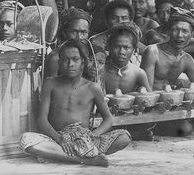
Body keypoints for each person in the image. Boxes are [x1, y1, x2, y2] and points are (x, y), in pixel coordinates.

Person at [20, 39, 131, 167]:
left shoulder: (93, 88)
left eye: (75, 59)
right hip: (58, 138)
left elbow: (109, 119)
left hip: (86, 139)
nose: (70, 64)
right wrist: (60, 139)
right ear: (60, 63)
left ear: (83, 62)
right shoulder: (50, 83)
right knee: (26, 140)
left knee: (124, 137)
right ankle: (88, 160)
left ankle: (59, 156)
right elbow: (42, 120)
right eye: (65, 60)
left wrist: (93, 135)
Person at [140, 8, 194, 91]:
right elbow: (147, 91)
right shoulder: (153, 52)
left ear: (191, 35)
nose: (180, 35)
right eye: (176, 30)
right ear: (169, 31)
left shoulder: (186, 60)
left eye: (185, 31)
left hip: (169, 99)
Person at [44, 8, 92, 78]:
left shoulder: (91, 53)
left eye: (84, 32)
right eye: (73, 32)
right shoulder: (55, 58)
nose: (79, 37)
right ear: (64, 32)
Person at [104, 25, 151, 95]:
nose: (121, 52)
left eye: (126, 48)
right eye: (117, 47)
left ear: (134, 50)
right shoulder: (102, 71)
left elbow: (149, 98)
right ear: (109, 47)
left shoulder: (138, 73)